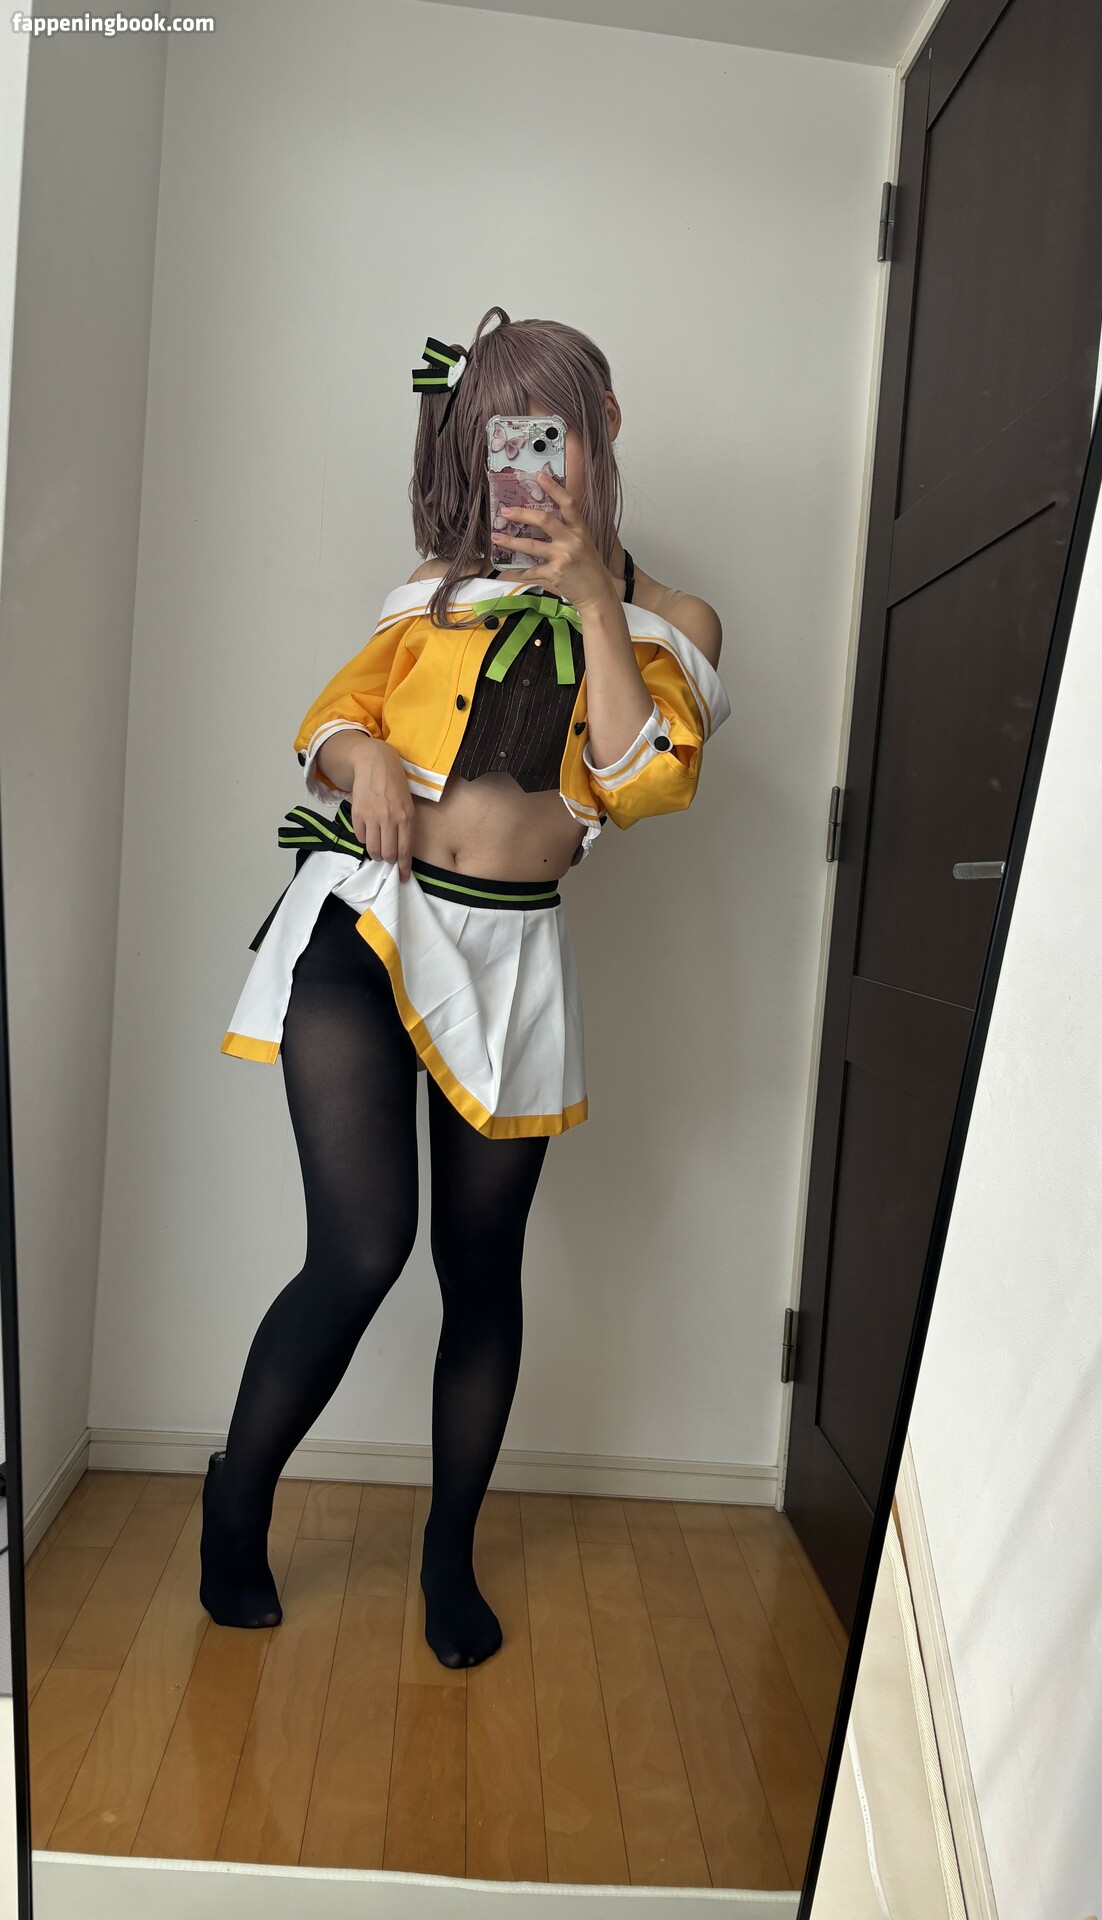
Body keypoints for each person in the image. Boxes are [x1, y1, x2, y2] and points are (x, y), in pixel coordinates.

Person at [201, 307, 730, 1668]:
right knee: (362, 1249)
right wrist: (362, 757)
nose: (529, 463)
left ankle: (449, 1552)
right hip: (370, 926)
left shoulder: (675, 623)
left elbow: (643, 782)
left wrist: (597, 598)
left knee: (480, 1269)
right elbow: (330, 718)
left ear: (603, 427)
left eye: (551, 429)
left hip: (512, 954)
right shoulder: (430, 593)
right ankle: (233, 1503)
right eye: (503, 435)